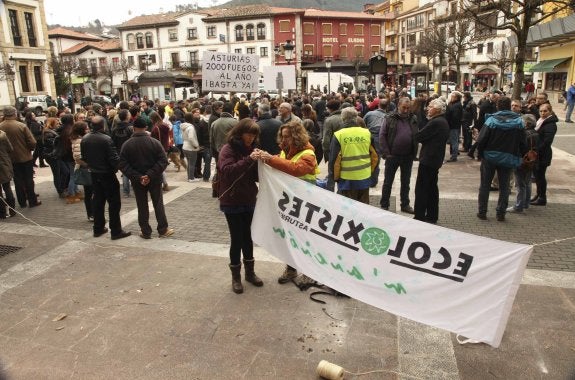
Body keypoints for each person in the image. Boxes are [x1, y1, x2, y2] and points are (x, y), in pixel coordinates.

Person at [253, 120, 319, 285]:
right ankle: (291, 270)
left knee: (304, 238)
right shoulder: (285, 151)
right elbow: (281, 162)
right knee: (289, 238)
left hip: (304, 204)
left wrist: (270, 159)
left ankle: (309, 272)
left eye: (288, 137)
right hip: (289, 202)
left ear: (297, 136)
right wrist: (264, 156)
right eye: (282, 136)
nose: (284, 140)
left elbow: (296, 169)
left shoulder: (308, 154)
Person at [216, 119, 262, 294]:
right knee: (236, 239)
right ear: (240, 132)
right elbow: (227, 171)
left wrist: (263, 162)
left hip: (249, 198)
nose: (251, 138)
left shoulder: (252, 149)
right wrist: (248, 159)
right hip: (232, 200)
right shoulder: (228, 149)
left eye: (254, 135)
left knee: (248, 237)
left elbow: (255, 176)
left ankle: (250, 272)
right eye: (248, 134)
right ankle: (236, 276)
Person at [119, 117, 173, 239]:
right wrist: (150, 174)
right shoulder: (154, 142)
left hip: (137, 180)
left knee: (142, 205)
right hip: (154, 178)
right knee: (158, 204)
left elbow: (123, 164)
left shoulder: (127, 145)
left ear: (133, 128)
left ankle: (145, 231)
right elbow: (163, 161)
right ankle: (163, 229)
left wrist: (138, 176)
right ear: (146, 128)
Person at [81, 116, 131, 240]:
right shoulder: (105, 139)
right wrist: (120, 167)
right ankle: (116, 231)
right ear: (103, 125)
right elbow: (113, 159)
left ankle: (98, 228)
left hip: (95, 173)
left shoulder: (85, 139)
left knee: (98, 201)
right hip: (107, 174)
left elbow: (84, 157)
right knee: (113, 203)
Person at [476, 97, 526, 221]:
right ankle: (501, 213)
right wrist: (520, 154)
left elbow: (481, 139)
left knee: (485, 185)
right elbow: (523, 142)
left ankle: (482, 212)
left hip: (490, 157)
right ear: (510, 106)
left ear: (498, 106)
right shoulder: (519, 122)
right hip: (508, 158)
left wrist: (480, 154)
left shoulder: (491, 120)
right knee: (504, 187)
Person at [330, 107, 378, 204]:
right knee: (364, 206)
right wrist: (371, 171)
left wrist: (335, 177)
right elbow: (375, 156)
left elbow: (334, 160)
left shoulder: (339, 135)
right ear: (356, 118)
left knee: (348, 208)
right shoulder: (367, 133)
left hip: (347, 178)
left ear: (342, 119)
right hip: (364, 176)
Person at [413, 99, 450, 224]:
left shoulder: (436, 122)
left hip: (429, 160)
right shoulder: (441, 121)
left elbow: (419, 136)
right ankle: (432, 215)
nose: (428, 109)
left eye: (430, 107)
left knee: (423, 188)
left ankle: (419, 216)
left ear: (438, 110)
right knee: (431, 188)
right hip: (434, 159)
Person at [379, 97, 418, 213]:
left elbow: (416, 134)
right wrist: (387, 153)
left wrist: (415, 152)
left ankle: (405, 204)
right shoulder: (390, 118)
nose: (406, 110)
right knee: (388, 182)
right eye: (404, 107)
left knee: (406, 183)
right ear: (398, 106)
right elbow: (382, 136)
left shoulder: (413, 118)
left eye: (408, 108)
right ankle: (384, 204)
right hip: (393, 156)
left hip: (407, 157)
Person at [0, 106, 40, 208]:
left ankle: (22, 201)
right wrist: (29, 149)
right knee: (28, 180)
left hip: (10, 158)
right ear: (14, 113)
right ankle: (32, 201)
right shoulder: (21, 126)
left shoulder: (1, 127)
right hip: (25, 157)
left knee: (17, 180)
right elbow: (32, 142)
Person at [508, 114, 538, 213]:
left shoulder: (524, 134)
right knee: (527, 182)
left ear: (526, 123)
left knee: (520, 184)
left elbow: (519, 148)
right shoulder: (536, 133)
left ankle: (519, 206)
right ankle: (525, 203)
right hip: (531, 161)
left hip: (522, 161)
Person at [531, 103, 558, 206]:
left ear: (550, 111)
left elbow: (547, 141)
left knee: (540, 176)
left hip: (543, 154)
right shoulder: (541, 121)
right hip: (538, 153)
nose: (542, 113)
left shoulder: (550, 124)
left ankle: (542, 197)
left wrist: (536, 150)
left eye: (545, 111)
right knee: (538, 176)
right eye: (541, 111)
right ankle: (538, 195)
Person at [71, 121, 94, 221]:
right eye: (86, 128)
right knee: (89, 193)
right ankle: (91, 214)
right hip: (86, 170)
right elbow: (78, 158)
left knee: (90, 192)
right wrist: (88, 165)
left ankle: (92, 213)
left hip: (87, 168)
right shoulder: (79, 141)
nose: (88, 129)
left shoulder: (82, 139)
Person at [0, 127, 15, 218]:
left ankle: (1, 213)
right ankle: (12, 210)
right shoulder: (2, 135)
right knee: (7, 187)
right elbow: (10, 149)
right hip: (3, 163)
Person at [181, 112, 200, 182]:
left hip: (184, 146)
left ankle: (189, 177)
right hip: (190, 147)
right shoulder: (191, 127)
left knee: (189, 163)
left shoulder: (183, 126)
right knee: (192, 163)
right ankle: (191, 178)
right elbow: (191, 138)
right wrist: (196, 145)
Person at [445, 91, 463, 162]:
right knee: (454, 140)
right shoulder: (454, 104)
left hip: (454, 126)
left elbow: (455, 117)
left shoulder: (456, 105)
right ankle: (454, 154)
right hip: (454, 126)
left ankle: (454, 156)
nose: (451, 97)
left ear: (456, 98)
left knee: (454, 141)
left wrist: (449, 124)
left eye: (452, 96)